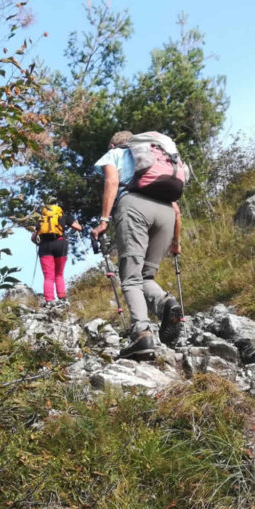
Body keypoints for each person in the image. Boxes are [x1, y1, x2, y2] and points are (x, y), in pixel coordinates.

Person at [91, 130, 184, 359]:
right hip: (166, 213)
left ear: (113, 145)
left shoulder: (114, 155)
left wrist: (103, 220)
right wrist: (175, 241)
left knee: (131, 277)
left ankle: (141, 334)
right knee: (146, 276)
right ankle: (165, 303)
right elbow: (177, 210)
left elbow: (112, 180)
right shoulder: (155, 157)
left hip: (134, 207)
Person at [31, 204, 82, 305]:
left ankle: (49, 300)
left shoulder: (41, 219)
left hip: (44, 246)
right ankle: (62, 297)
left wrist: (38, 243)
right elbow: (78, 228)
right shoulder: (64, 216)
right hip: (60, 244)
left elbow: (33, 237)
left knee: (48, 276)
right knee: (59, 274)